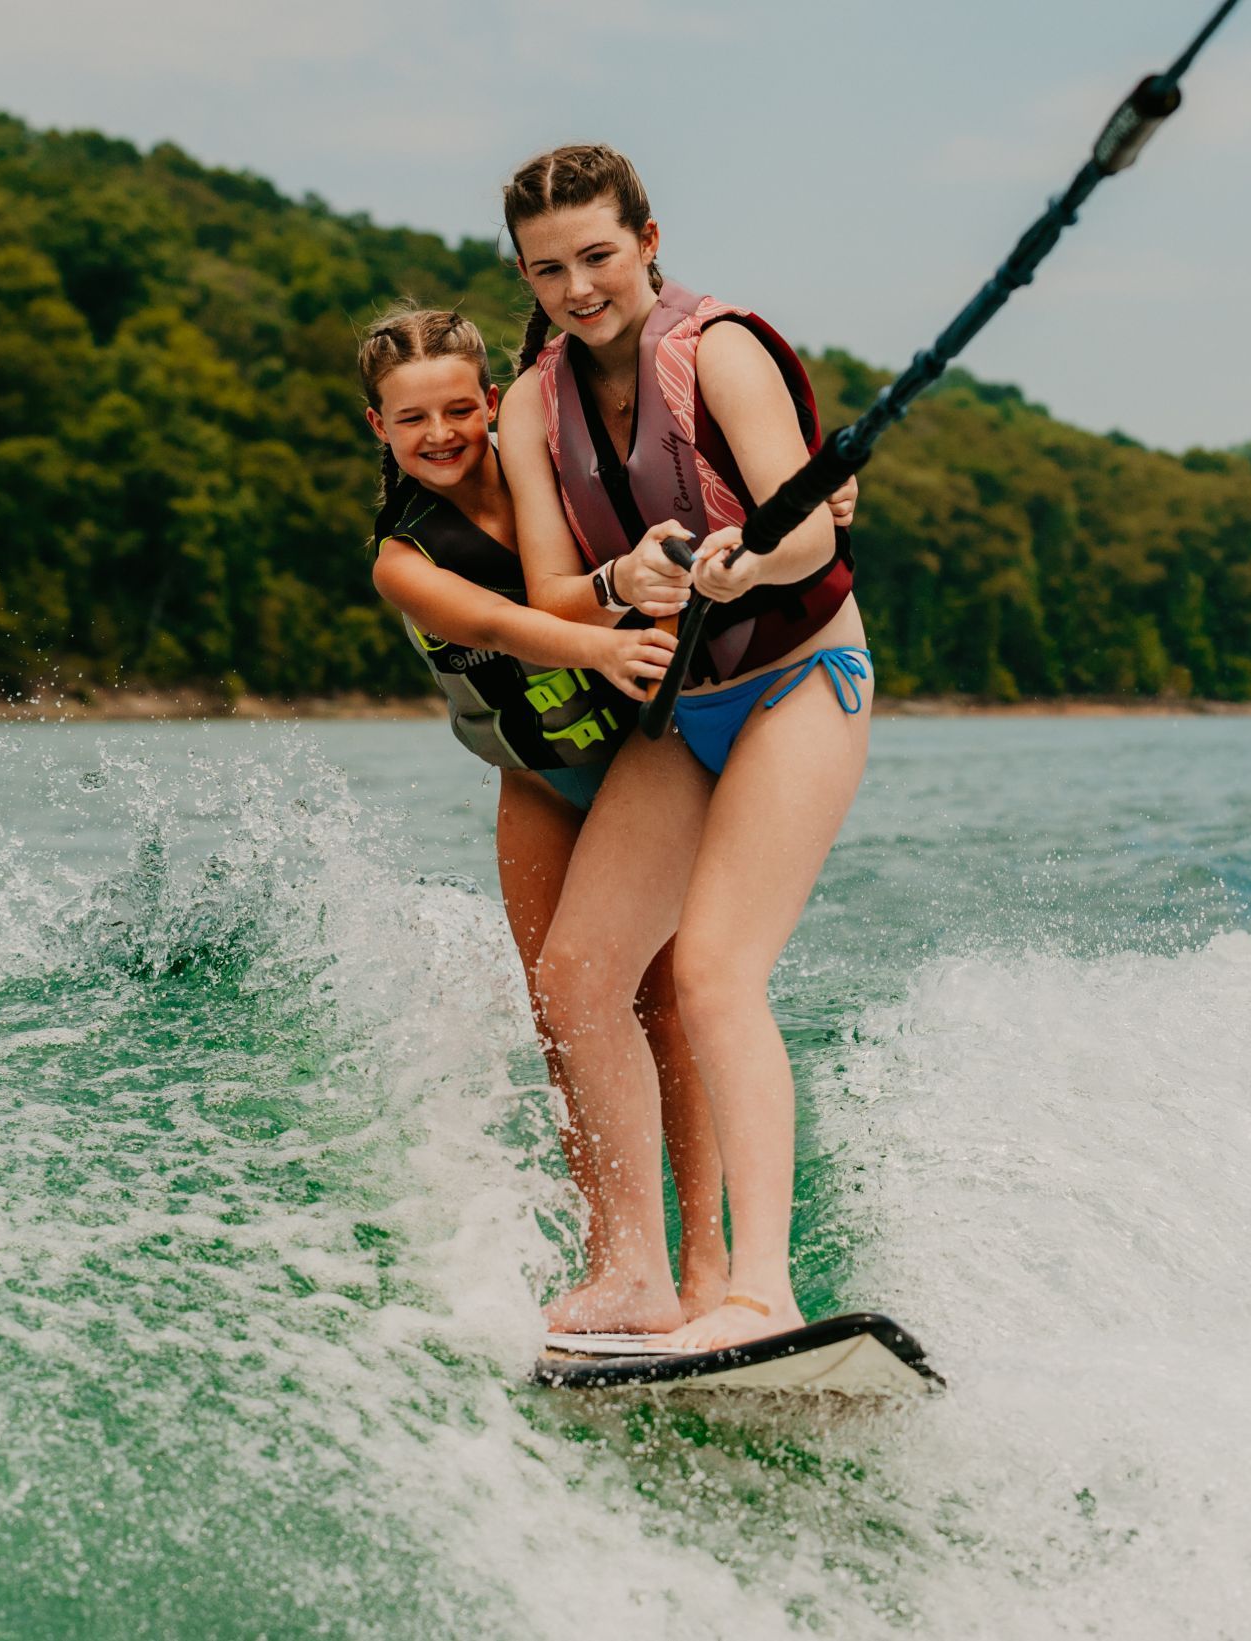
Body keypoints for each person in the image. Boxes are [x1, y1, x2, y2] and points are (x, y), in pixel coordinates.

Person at [498, 145, 873, 1352]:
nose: (579, 287)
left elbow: (810, 534)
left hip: (799, 681)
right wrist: (628, 576)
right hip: (681, 713)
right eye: (549, 269)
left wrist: (746, 560)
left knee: (712, 969)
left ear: (649, 240)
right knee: (577, 975)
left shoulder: (720, 351)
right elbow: (554, 592)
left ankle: (762, 1287)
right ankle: (636, 1277)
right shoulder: (528, 402)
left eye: (599, 256)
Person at [357, 305, 730, 1322]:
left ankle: (705, 1271)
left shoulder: (553, 484)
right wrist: (603, 644)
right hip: (536, 787)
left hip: (640, 769)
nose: (438, 432)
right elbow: (499, 621)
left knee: (660, 1006)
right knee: (565, 1024)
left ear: (491, 402)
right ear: (377, 430)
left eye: (457, 407)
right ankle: (613, 1260)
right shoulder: (403, 558)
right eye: (410, 418)